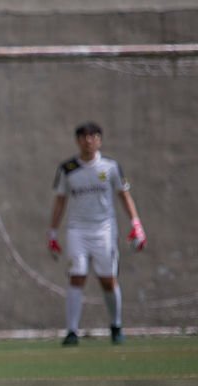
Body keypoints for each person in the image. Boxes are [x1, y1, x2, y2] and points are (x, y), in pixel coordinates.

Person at [48, 122, 146, 346]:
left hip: (104, 231)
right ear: (78, 141)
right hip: (77, 230)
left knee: (108, 280)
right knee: (77, 275)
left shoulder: (110, 167)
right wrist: (52, 233)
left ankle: (116, 325)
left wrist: (136, 224)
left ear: (99, 140)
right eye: (84, 137)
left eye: (93, 136)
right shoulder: (68, 169)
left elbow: (124, 195)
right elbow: (60, 201)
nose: (88, 141)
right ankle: (72, 331)